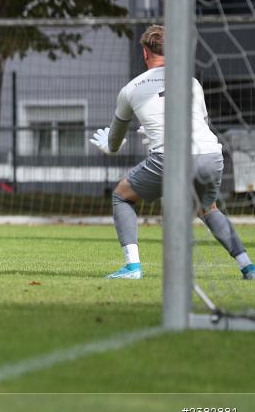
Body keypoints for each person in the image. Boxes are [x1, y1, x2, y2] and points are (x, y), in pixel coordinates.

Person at [90, 25, 254, 280]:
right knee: (208, 208)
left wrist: (109, 147)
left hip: (171, 158)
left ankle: (132, 268)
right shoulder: (192, 82)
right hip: (210, 154)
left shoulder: (131, 89)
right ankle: (247, 266)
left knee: (122, 196)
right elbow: (199, 122)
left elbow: (113, 143)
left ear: (145, 53)